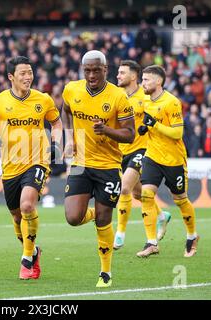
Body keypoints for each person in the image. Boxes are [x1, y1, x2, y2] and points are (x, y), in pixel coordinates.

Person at [0, 56, 63, 280]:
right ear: (11, 77)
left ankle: (25, 260)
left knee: (26, 205)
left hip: (37, 161)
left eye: (30, 72)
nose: (28, 77)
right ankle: (34, 252)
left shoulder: (43, 99)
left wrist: (56, 144)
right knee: (16, 218)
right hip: (10, 167)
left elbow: (57, 123)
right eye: (23, 73)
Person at [61, 50, 135, 288]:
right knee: (73, 218)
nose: (91, 75)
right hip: (81, 164)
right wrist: (70, 137)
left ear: (106, 70)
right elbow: (65, 110)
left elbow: (130, 134)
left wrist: (107, 131)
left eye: (96, 70)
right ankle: (94, 212)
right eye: (87, 70)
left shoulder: (118, 97)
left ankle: (105, 273)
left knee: (104, 220)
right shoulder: (72, 89)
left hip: (108, 166)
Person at [137, 65, 199, 258]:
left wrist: (155, 124)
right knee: (146, 196)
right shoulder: (145, 100)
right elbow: (148, 122)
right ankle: (151, 242)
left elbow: (177, 132)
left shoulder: (171, 102)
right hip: (153, 155)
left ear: (158, 81)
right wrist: (145, 129)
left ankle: (191, 235)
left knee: (180, 200)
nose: (143, 83)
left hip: (173, 160)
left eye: (146, 79)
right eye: (142, 79)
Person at [114, 60, 171, 250]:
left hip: (142, 150)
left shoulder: (145, 96)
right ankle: (162, 216)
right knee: (138, 193)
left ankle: (120, 234)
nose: (118, 76)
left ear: (133, 76)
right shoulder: (116, 96)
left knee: (124, 188)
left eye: (122, 73)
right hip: (121, 151)